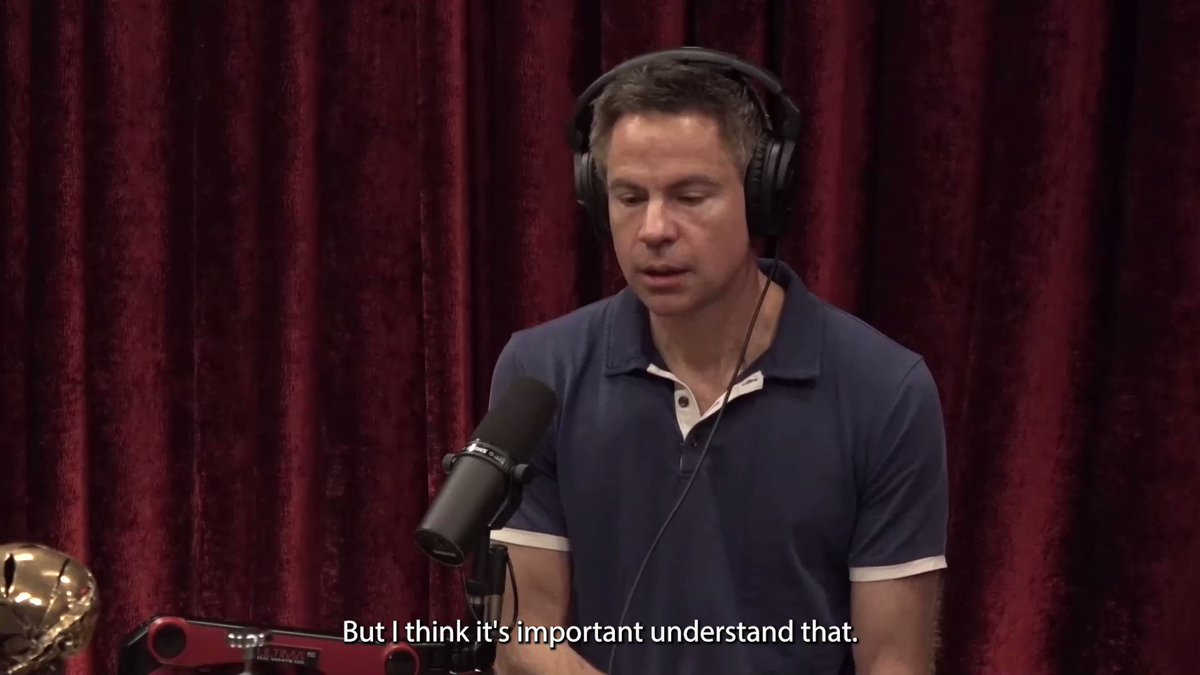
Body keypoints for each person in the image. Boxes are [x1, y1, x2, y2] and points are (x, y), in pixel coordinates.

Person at [487, 49, 948, 675]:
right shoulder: (539, 372)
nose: (653, 229)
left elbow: (893, 659)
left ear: (761, 197)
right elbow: (523, 637)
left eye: (690, 195)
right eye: (629, 197)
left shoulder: (886, 390)